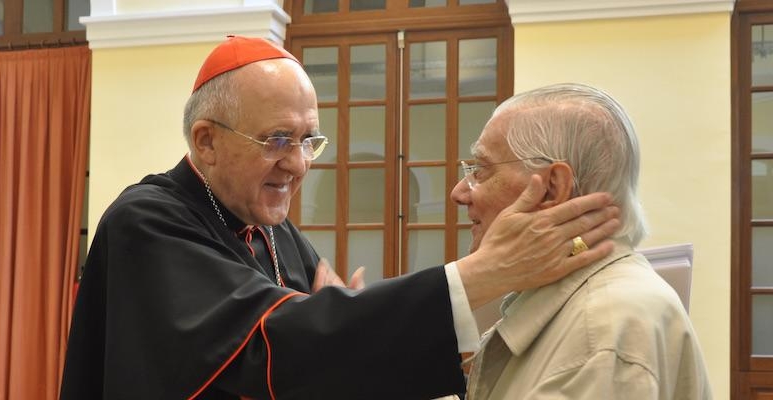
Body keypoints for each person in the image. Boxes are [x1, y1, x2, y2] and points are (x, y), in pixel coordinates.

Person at [59, 37, 621, 399]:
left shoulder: (274, 230)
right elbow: (271, 348)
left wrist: (346, 321)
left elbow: (320, 355)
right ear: (206, 141)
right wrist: (483, 274)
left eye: (309, 140)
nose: (298, 164)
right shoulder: (148, 222)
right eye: (277, 139)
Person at [453, 83, 712, 400]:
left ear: (552, 188)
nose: (459, 193)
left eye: (481, 170)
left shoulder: (601, 329)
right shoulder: (597, 310)